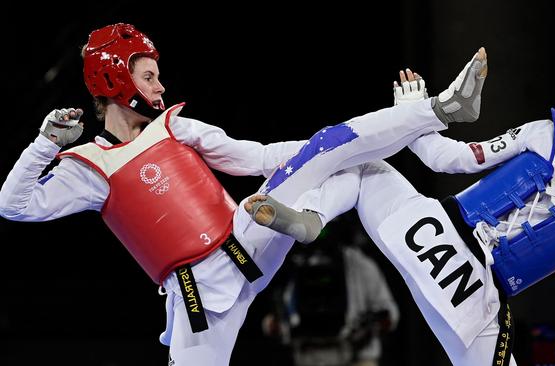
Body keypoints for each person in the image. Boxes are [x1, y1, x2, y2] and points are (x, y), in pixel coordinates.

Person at [0, 23, 488, 365]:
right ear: (114, 79)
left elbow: (255, 157)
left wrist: (320, 151)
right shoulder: (90, 166)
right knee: (346, 165)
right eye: (148, 75)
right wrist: (45, 145)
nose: (160, 85)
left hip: (247, 236)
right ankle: (311, 216)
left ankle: (440, 110)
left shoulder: (177, 127)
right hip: (196, 302)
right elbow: (14, 205)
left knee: (348, 159)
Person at [245, 62, 555, 365]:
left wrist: (413, 111)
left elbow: (447, 158)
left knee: (364, 165)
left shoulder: (548, 132)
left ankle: (313, 217)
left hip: (425, 228)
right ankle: (313, 218)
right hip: (473, 294)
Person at [262, 219, 399, 366]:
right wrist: (278, 324)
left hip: (355, 356)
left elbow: (391, 315)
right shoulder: (291, 264)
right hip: (308, 356)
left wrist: (373, 321)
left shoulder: (359, 264)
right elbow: (270, 323)